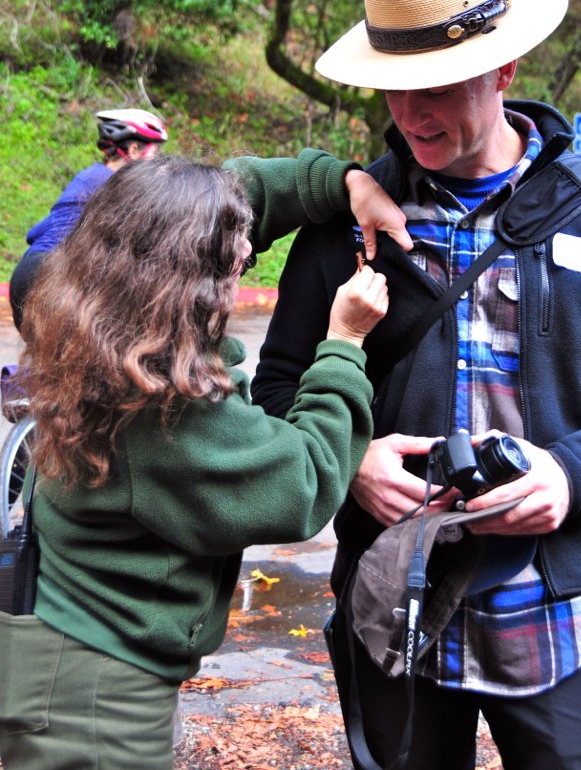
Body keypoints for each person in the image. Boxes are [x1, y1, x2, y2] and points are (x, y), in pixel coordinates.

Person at [250, 0, 581, 770]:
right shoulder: (346, 229)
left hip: (560, 619)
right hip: (396, 612)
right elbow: (276, 395)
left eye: (440, 86)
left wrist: (572, 472)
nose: (410, 114)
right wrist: (350, 459)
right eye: (394, 88)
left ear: (505, 70)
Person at [0, 149, 412, 770]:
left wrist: (343, 181)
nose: (249, 253)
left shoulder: (68, 301)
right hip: (95, 692)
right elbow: (305, 479)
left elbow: (200, 203)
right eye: (235, 250)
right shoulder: (167, 410)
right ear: (184, 278)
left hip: (47, 633)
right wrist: (344, 343)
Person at [8, 107, 168, 332]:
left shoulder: (88, 176)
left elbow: (35, 232)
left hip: (27, 272)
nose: (157, 161)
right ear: (133, 149)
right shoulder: (121, 186)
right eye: (155, 152)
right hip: (54, 280)